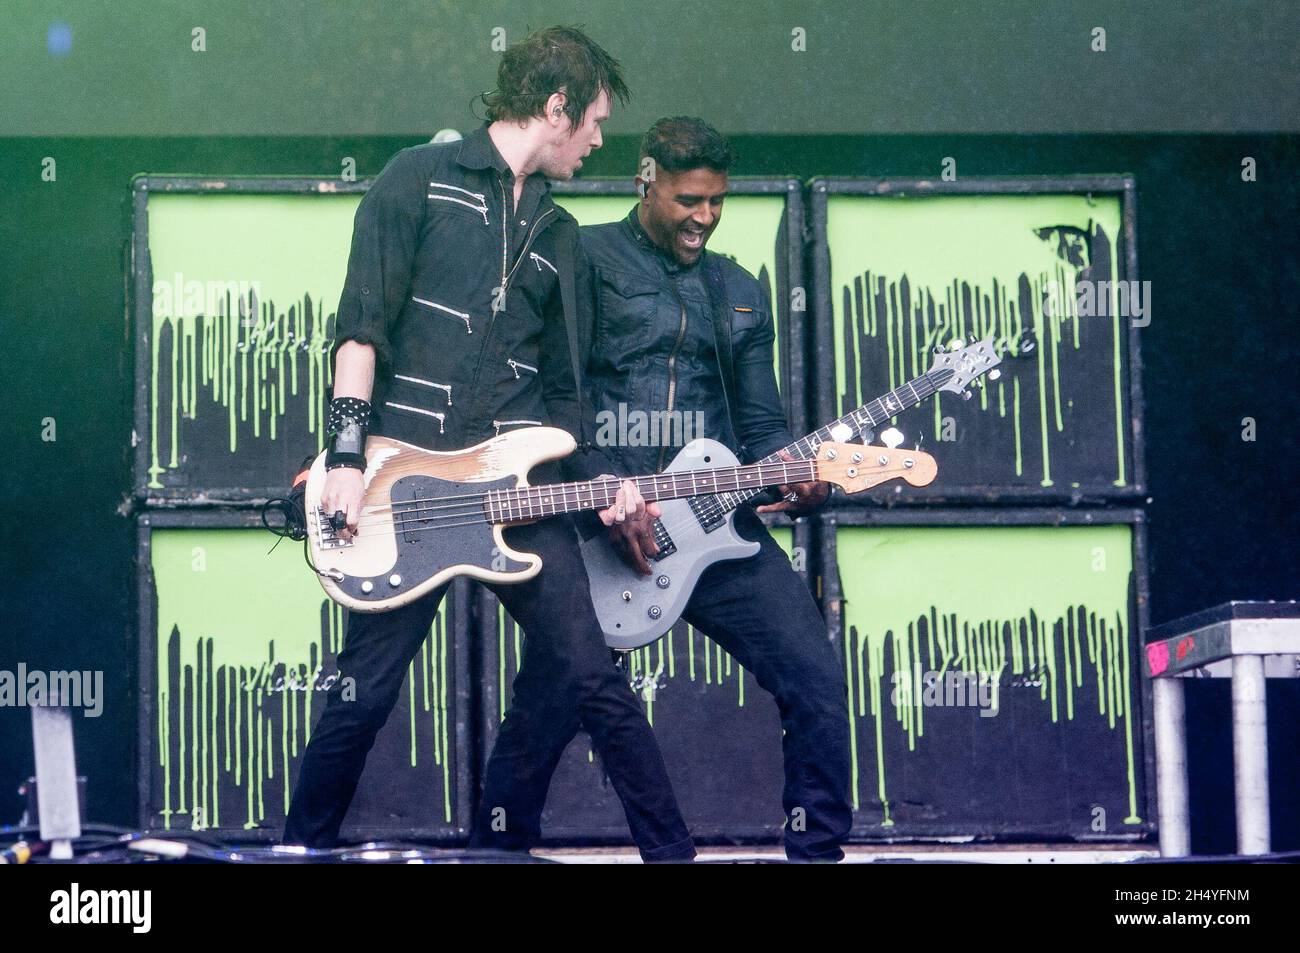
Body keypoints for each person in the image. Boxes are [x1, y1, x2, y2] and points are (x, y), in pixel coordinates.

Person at [282, 27, 696, 863]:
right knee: (362, 695)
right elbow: (360, 331)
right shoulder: (415, 181)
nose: (599, 140)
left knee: (595, 680)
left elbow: (562, 399)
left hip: (515, 489)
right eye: (594, 122)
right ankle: (297, 853)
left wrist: (605, 482)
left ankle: (673, 855)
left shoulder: (560, 232)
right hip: (406, 491)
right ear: (556, 107)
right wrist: (349, 457)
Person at [476, 116, 853, 861]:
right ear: (646, 179)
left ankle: (819, 851)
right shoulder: (579, 256)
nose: (704, 218)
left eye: (716, 202)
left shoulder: (738, 289)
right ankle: (496, 851)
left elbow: (763, 424)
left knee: (814, 676)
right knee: (549, 705)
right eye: (688, 200)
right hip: (595, 526)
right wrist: (600, 488)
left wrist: (805, 477)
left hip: (717, 528)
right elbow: (554, 396)